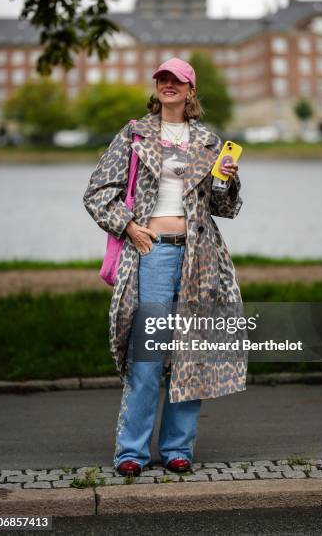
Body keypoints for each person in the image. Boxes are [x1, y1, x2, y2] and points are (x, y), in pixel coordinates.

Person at [83, 57, 245, 477]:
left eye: (177, 80)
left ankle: (177, 448)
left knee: (190, 353)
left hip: (200, 257)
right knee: (148, 355)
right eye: (162, 79)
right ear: (156, 88)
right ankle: (131, 453)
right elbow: (98, 193)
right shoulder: (135, 134)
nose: (168, 85)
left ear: (191, 90)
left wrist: (227, 178)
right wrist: (131, 228)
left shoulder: (209, 141)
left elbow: (225, 208)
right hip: (152, 252)